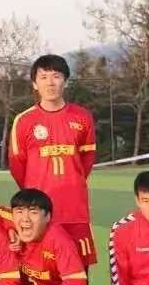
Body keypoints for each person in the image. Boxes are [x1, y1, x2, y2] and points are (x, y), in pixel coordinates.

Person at [9, 54, 98, 267]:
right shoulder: (24, 120)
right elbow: (17, 166)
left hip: (74, 209)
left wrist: (72, 182)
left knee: (79, 273)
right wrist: (35, 194)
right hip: (38, 211)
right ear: (34, 84)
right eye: (44, 77)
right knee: (41, 273)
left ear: (65, 81)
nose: (50, 82)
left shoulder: (82, 116)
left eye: (56, 76)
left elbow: (86, 160)